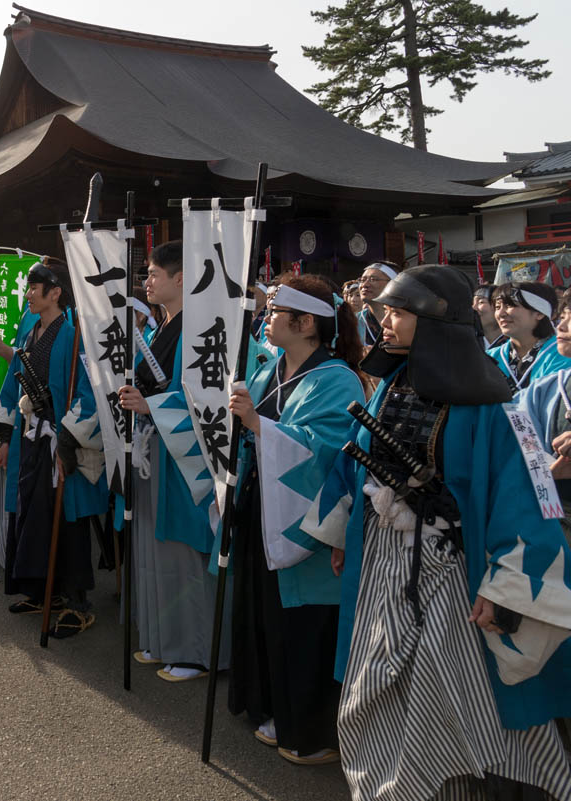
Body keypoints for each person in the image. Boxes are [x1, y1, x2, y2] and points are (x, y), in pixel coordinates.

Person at [307, 265, 571, 800]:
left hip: (453, 577)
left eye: (398, 312)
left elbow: (526, 497)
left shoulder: (497, 408)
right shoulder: (389, 386)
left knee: (450, 695)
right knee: (376, 687)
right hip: (383, 564)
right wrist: (345, 535)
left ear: (435, 321)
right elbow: (354, 465)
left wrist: (505, 588)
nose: (384, 321)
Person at [225, 274, 366, 766]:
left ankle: (312, 730)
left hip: (305, 518)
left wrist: (259, 426)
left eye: (276, 312)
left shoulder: (338, 378)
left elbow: (327, 449)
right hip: (260, 505)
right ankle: (270, 708)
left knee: (303, 625)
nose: (267, 317)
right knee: (265, 614)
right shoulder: (270, 370)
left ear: (306, 323)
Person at [117, 243, 229, 683]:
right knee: (154, 547)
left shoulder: (199, 329)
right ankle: (164, 639)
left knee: (186, 553)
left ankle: (197, 651)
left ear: (181, 278)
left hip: (188, 458)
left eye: (153, 274)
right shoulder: (167, 326)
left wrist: (151, 406)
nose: (147, 282)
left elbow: (207, 399)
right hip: (159, 449)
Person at [0, 260, 107, 638]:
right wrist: (6, 436)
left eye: (33, 289)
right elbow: (14, 384)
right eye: (26, 289)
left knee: (66, 520)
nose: (27, 295)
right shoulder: (30, 332)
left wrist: (68, 442)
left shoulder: (73, 334)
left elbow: (89, 394)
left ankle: (76, 602)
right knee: (31, 513)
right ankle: (43, 591)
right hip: (31, 439)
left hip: (60, 439)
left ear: (54, 292)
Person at [519, 286, 571, 544]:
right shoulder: (543, 390)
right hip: (555, 523)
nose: (561, 327)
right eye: (563, 316)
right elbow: (522, 447)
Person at [488, 281, 570, 393]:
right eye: (497, 307)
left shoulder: (564, 354)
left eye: (510, 305)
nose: (500, 313)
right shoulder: (490, 357)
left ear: (539, 313)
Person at [356, 262, 397, 348]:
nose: (364, 285)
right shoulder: (355, 322)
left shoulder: (406, 319)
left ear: (393, 284)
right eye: (362, 280)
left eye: (373, 279)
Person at [472, 284, 503, 348]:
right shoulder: (466, 342)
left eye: (481, 302)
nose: (474, 308)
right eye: (472, 303)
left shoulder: (514, 343)